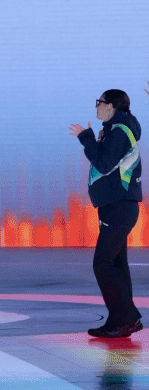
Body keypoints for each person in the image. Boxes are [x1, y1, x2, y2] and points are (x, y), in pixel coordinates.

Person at [70, 89, 142, 338]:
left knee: (102, 264)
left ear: (111, 106)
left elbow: (104, 163)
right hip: (117, 206)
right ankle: (119, 321)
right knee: (117, 264)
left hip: (120, 206)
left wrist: (87, 139)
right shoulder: (117, 130)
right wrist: (96, 140)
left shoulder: (120, 131)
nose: (97, 107)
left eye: (99, 102)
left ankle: (128, 317)